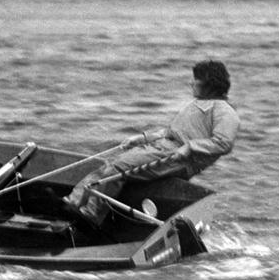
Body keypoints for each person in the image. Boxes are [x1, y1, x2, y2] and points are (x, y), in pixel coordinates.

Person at [63, 59, 240, 228]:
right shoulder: (197, 105)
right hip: (163, 147)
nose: (191, 83)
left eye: (196, 80)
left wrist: (190, 147)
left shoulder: (225, 111)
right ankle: (73, 202)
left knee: (117, 169)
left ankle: (91, 214)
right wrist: (142, 138)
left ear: (209, 84)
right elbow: (170, 133)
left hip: (178, 158)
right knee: (108, 165)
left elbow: (223, 143)